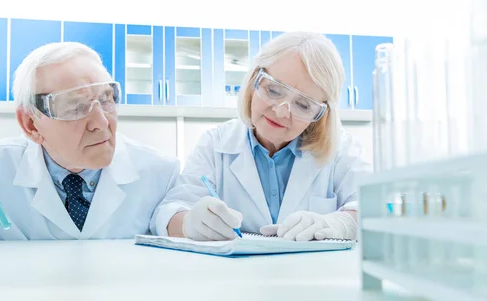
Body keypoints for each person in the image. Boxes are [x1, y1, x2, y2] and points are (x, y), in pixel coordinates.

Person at [0, 42, 180, 240]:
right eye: (76, 106)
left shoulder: (161, 176)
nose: (101, 122)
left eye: (105, 99)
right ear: (31, 124)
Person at [152, 31, 370, 242]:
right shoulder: (215, 143)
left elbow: (377, 208)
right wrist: (189, 223)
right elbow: (167, 213)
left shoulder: (341, 149)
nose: (282, 112)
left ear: (321, 113)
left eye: (303, 105)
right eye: (274, 91)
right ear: (254, 80)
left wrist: (342, 223)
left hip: (312, 276)